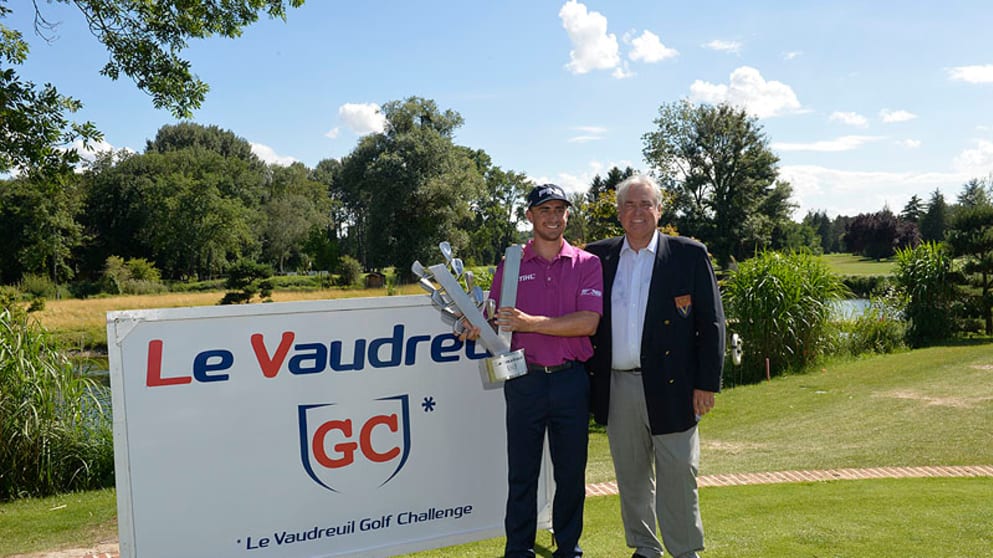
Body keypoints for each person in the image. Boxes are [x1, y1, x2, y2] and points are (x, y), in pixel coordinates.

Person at [584, 175, 725, 558]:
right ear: (618, 214)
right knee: (631, 476)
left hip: (675, 386)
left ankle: (684, 551)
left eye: (646, 204)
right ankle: (645, 548)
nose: (638, 212)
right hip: (617, 385)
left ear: (660, 210)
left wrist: (706, 383)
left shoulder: (688, 254)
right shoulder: (597, 257)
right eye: (629, 205)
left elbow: (711, 324)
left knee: (679, 473)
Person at [462, 183, 603, 558]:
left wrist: (531, 323)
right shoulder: (511, 265)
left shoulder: (587, 263)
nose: (553, 217)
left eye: (559, 210)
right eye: (545, 210)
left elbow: (587, 322)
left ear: (567, 215)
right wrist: (476, 324)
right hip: (525, 381)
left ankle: (568, 547)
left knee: (571, 474)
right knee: (522, 474)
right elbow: (497, 322)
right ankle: (518, 549)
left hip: (572, 380)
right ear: (530, 216)